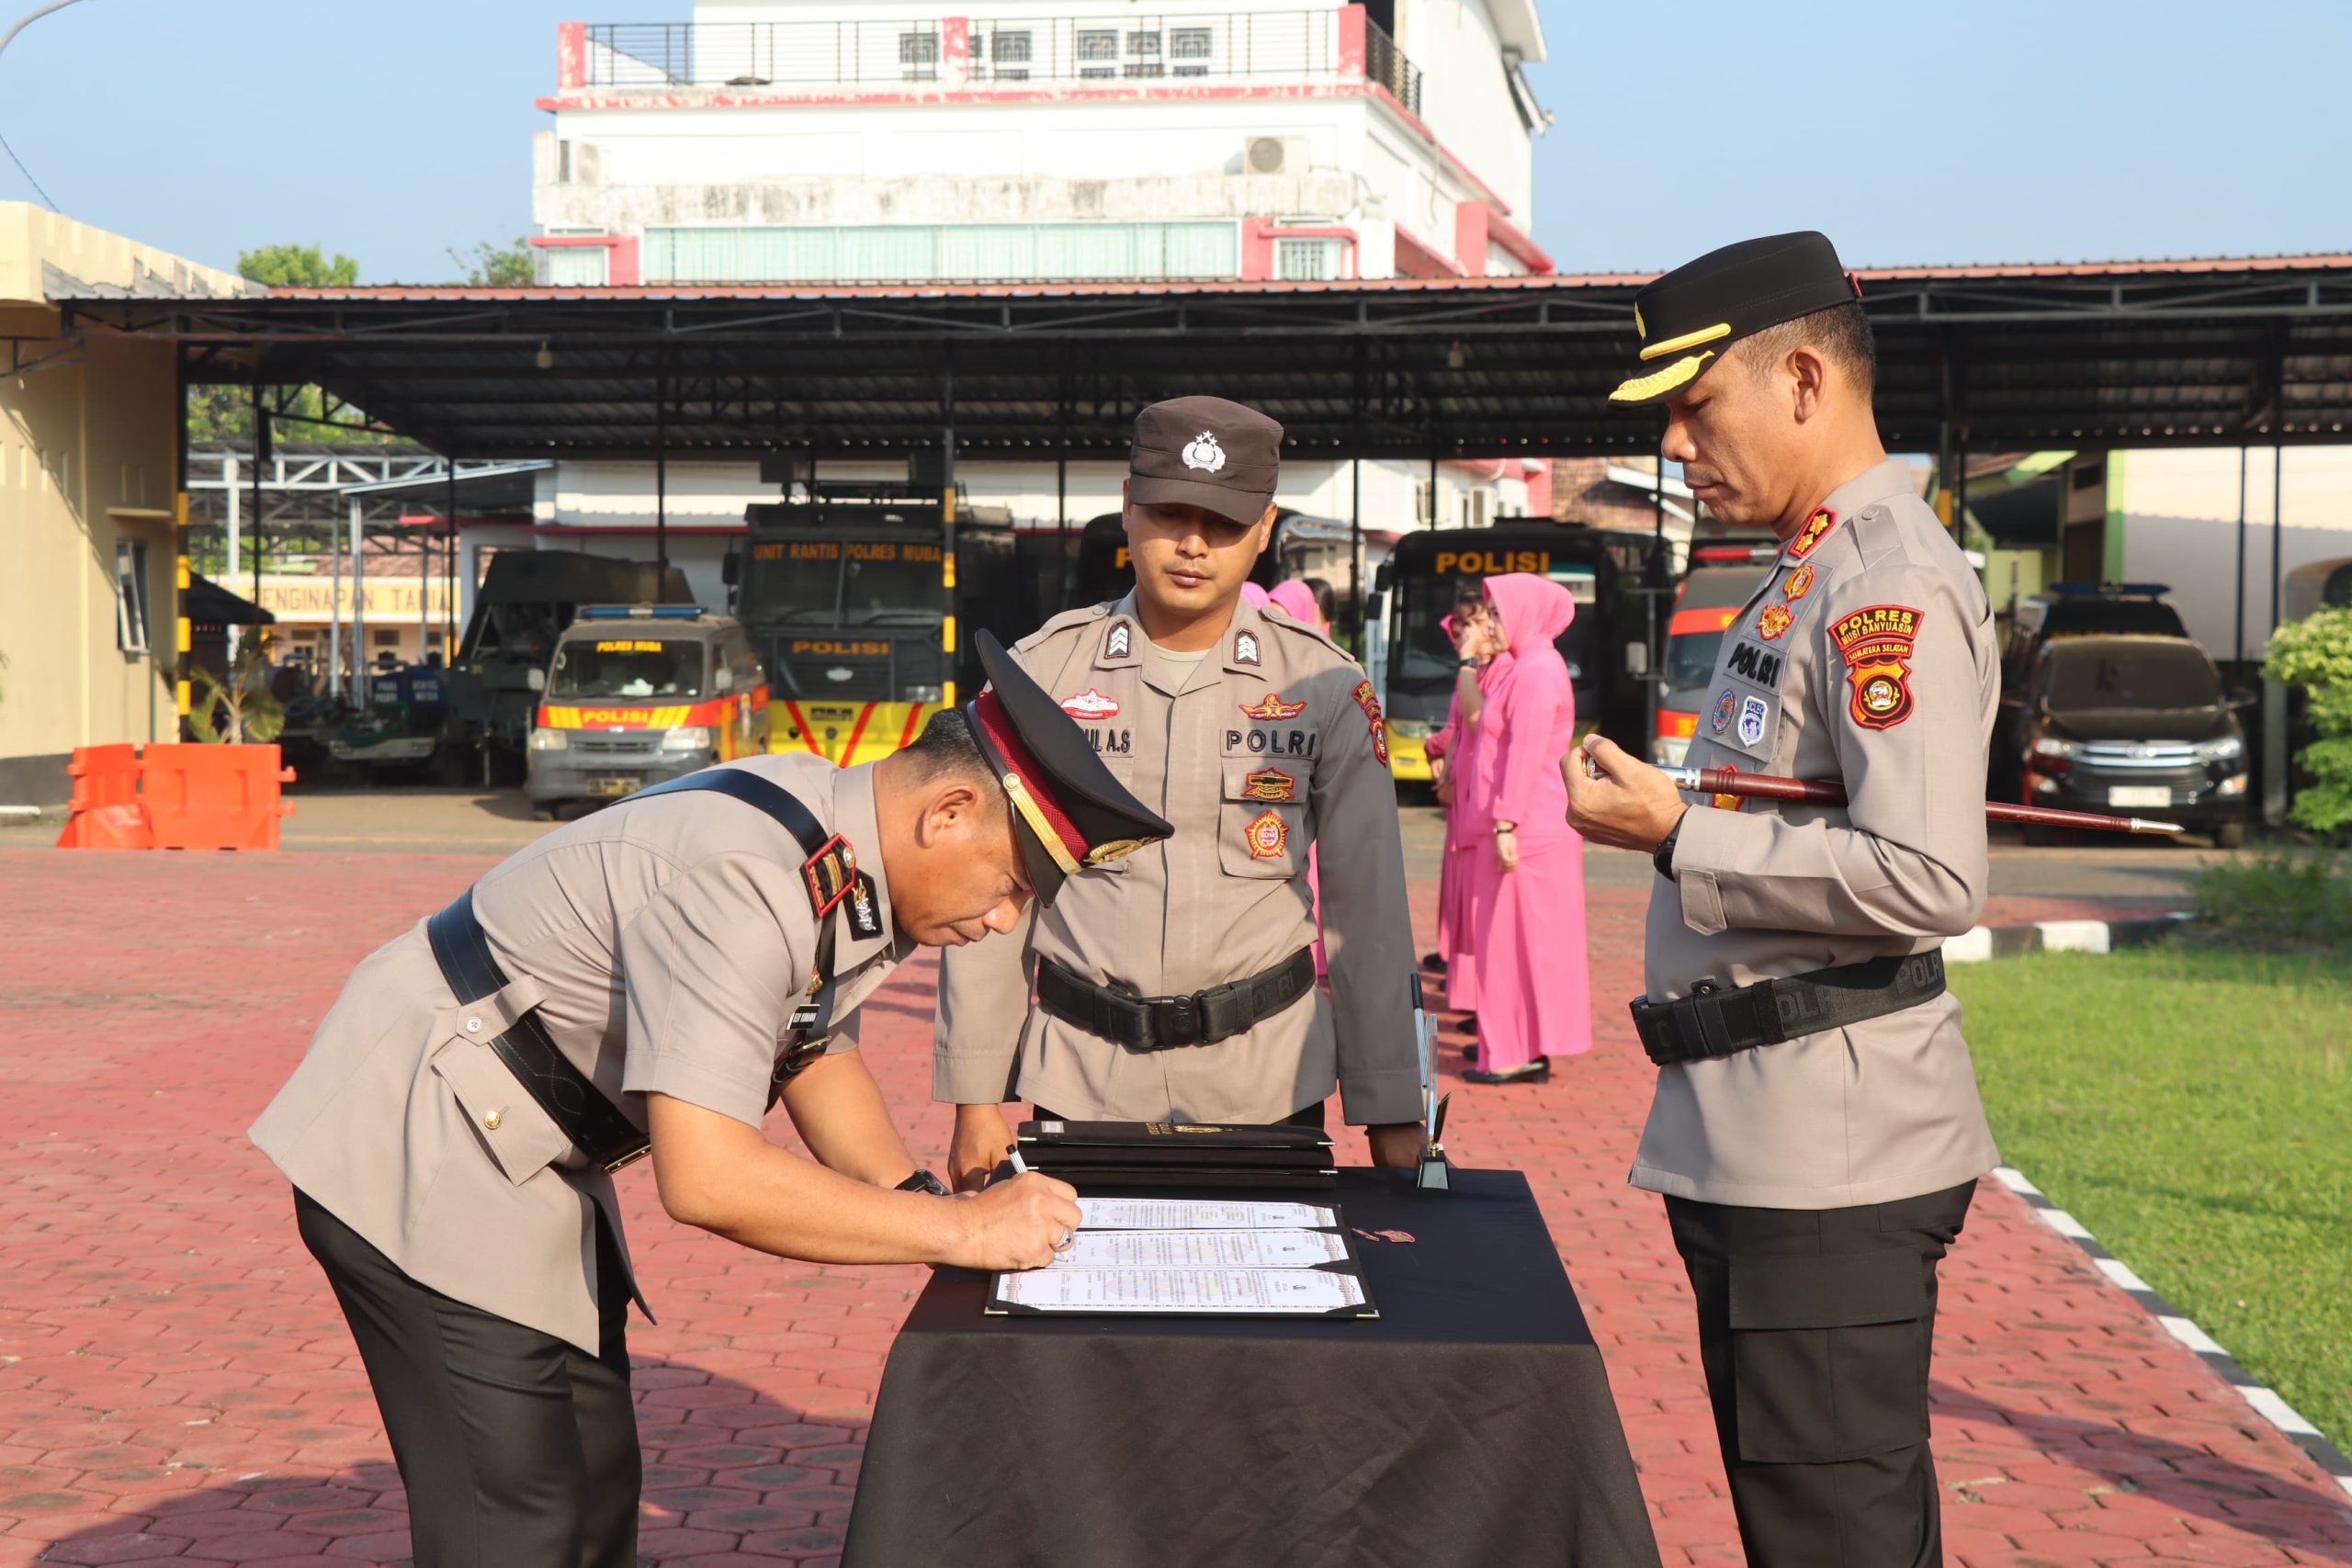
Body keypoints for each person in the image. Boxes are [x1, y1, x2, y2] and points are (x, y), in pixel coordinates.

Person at [249, 632, 1170, 1568]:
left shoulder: (835, 839)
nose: (1003, 922)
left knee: (594, 1491)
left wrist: (921, 1203)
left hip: (522, 1147)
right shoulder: (748, 874)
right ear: (949, 810)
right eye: (1012, 884)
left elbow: (809, 1048)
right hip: (424, 1139)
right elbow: (710, 1181)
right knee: (519, 1519)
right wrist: (967, 1236)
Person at [1566, 231, 1999, 1567]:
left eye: (1699, 408)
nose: (1680, 449)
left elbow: (1929, 875)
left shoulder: (1884, 579)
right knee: (1818, 1523)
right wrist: (1683, 817)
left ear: (1804, 379)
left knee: (1834, 1536)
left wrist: (1679, 828)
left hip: (1829, 1143)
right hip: (1772, 1129)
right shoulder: (1813, 564)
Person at [935, 395, 1426, 1184]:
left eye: (1225, 522)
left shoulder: (1325, 684)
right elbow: (995, 893)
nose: (1194, 543)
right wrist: (975, 1099)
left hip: (1266, 1076)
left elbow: (1369, 909)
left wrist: (1393, 1103)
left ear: (1265, 530)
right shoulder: (1043, 672)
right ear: (1127, 509)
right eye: (1169, 512)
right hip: (1082, 1077)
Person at [1462, 572, 1591, 1085]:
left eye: (1497, 612)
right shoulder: (1525, 666)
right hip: (1524, 823)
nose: (1491, 622)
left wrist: (1504, 822)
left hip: (1527, 826)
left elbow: (1525, 752)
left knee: (1514, 943)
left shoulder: (1538, 670)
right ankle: (1513, 1039)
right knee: (1511, 942)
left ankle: (1515, 1049)